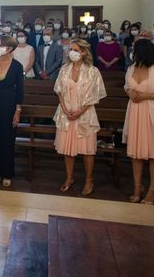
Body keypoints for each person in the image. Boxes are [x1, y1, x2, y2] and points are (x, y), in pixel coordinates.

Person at [53, 39, 106, 196]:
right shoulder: (64, 69)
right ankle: (69, 178)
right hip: (66, 113)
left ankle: (89, 179)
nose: (72, 52)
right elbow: (59, 91)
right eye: (71, 49)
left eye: (75, 49)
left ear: (83, 52)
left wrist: (79, 111)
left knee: (87, 150)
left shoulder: (92, 71)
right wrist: (65, 108)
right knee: (68, 149)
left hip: (85, 114)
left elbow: (95, 95)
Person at [123, 39, 154, 205]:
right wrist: (130, 92)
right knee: (136, 152)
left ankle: (153, 190)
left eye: (134, 49)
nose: (131, 52)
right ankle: (137, 187)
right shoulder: (131, 68)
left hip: (151, 113)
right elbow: (127, 87)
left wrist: (146, 95)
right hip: (135, 113)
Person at [0, 36, 24, 187]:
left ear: (9, 48)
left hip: (9, 105)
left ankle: (7, 173)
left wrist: (18, 110)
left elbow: (20, 90)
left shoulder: (17, 66)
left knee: (7, 140)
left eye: (1, 45)